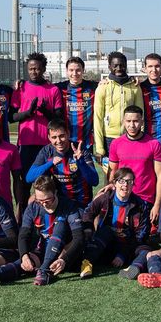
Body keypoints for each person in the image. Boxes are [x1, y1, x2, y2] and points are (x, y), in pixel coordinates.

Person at [0, 175, 85, 286]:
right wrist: (24, 255)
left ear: (55, 193)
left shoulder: (69, 206)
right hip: (42, 250)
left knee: (60, 225)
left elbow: (79, 238)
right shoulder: (33, 208)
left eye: (47, 200)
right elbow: (23, 235)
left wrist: (64, 259)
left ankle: (44, 270)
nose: (43, 204)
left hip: (64, 252)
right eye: (40, 201)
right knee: (26, 263)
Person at [79, 166, 151, 279]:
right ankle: (87, 263)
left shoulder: (141, 205)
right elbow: (88, 214)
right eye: (121, 181)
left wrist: (122, 254)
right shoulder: (105, 199)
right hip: (105, 244)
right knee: (105, 231)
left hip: (129, 245)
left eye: (129, 181)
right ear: (115, 183)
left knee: (146, 251)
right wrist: (89, 232)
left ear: (133, 184)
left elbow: (142, 234)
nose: (125, 185)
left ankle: (133, 268)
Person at [13, 52, 65, 202]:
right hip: (26, 143)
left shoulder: (53, 90)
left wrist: (44, 111)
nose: (33, 72)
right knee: (25, 182)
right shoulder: (21, 88)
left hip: (47, 144)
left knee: (48, 182)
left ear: (43, 69)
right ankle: (22, 215)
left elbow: (58, 118)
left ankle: (49, 216)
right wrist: (28, 113)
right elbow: (12, 117)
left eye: (36, 68)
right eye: (30, 69)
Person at [107, 105, 161, 225]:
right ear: (123, 122)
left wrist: (157, 204)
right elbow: (112, 173)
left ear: (142, 122)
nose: (131, 125)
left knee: (145, 238)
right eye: (128, 121)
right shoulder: (116, 144)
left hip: (146, 200)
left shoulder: (154, 144)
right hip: (123, 199)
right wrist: (109, 191)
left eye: (135, 121)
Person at [25, 117, 98, 207]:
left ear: (68, 133)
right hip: (58, 202)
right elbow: (29, 178)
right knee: (32, 201)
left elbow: (94, 181)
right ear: (49, 138)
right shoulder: (47, 151)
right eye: (54, 137)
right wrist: (51, 163)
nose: (58, 141)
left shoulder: (80, 150)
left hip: (82, 202)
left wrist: (81, 162)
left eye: (61, 136)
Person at [92, 51, 142, 160]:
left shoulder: (135, 86)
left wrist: (140, 137)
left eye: (122, 65)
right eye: (115, 65)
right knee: (112, 175)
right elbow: (98, 118)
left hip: (130, 136)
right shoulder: (103, 87)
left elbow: (140, 115)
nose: (119, 68)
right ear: (109, 67)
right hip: (109, 139)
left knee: (131, 173)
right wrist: (100, 148)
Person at [57, 56, 98, 157]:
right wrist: (21, 82)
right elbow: (42, 86)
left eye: (78, 70)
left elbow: (111, 83)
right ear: (66, 71)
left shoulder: (93, 87)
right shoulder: (59, 88)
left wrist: (132, 79)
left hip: (86, 141)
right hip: (65, 141)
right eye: (71, 70)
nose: (74, 74)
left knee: (86, 171)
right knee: (67, 171)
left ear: (83, 70)